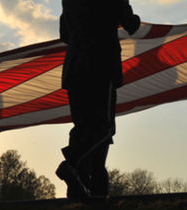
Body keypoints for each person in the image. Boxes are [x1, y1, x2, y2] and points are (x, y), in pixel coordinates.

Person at [57, 0, 140, 199]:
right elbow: (131, 25)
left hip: (74, 66)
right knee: (104, 127)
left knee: (83, 126)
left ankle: (82, 187)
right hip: (101, 63)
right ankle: (72, 165)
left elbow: (64, 34)